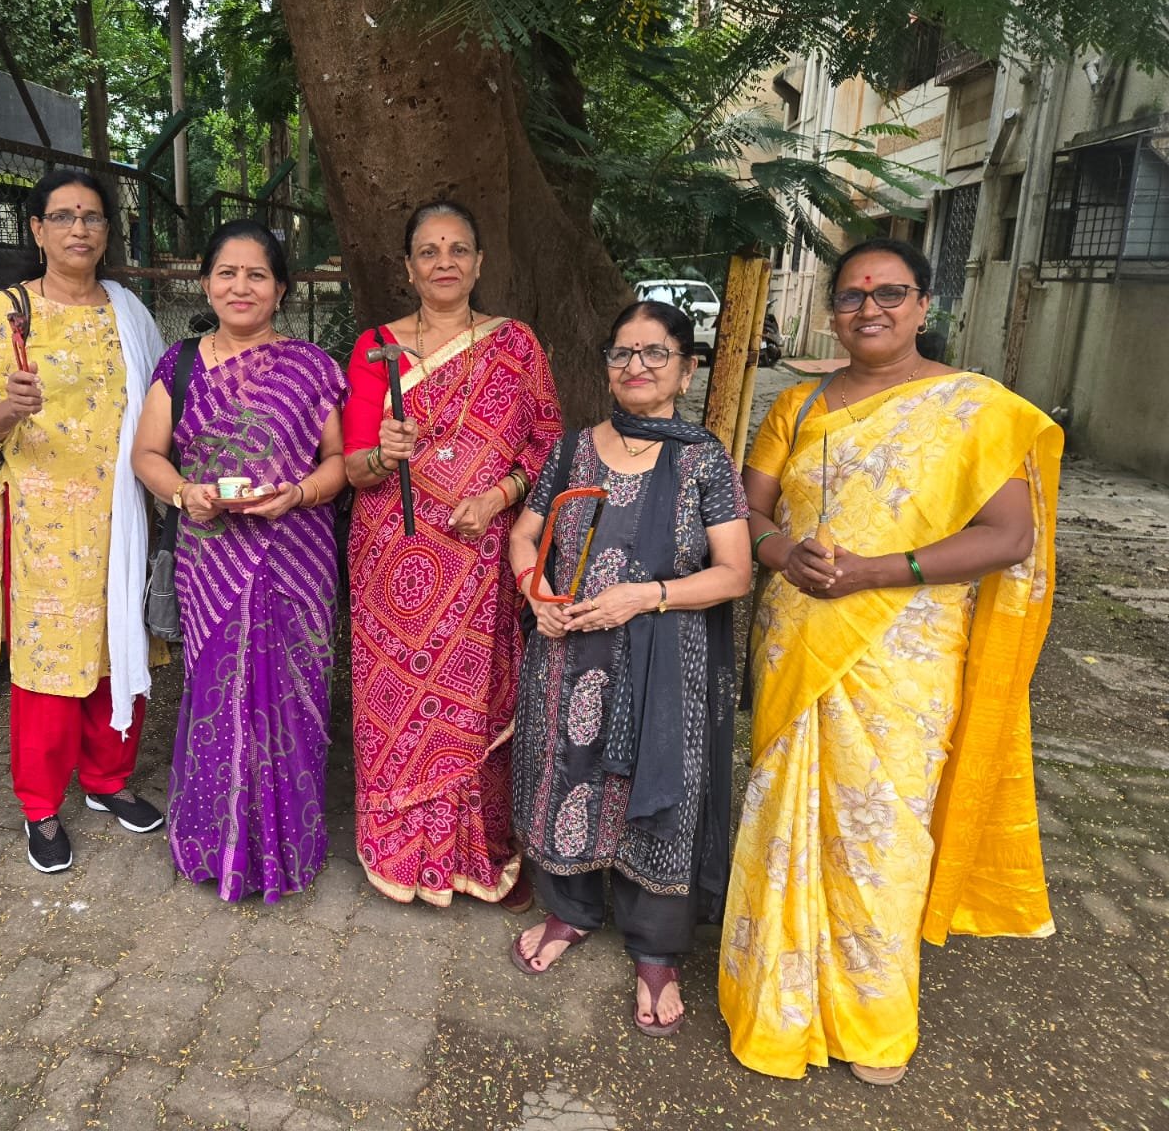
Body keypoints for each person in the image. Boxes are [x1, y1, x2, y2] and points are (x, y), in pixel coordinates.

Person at [718, 238, 1062, 1084]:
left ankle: (873, 1023)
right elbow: (744, 511)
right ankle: (775, 1005)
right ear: (833, 313)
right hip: (799, 636)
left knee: (884, 834)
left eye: (889, 294)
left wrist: (882, 571)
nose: (868, 309)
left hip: (905, 653)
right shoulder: (796, 405)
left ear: (923, 306)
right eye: (851, 296)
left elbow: (1008, 536)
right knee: (783, 817)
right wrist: (781, 553)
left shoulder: (972, 408)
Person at [506, 301, 751, 1035]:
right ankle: (571, 910)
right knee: (567, 775)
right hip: (569, 650)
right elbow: (525, 535)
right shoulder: (572, 451)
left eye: (654, 353)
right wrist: (535, 593)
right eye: (622, 353)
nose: (636, 366)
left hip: (664, 659)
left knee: (658, 788)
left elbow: (734, 573)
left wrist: (645, 596)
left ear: (687, 369)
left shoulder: (702, 459)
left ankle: (655, 946)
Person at [342, 199, 561, 908]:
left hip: (478, 554)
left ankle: (478, 852)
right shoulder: (376, 346)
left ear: (479, 262)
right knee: (396, 705)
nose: (444, 262)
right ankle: (402, 855)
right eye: (428, 251)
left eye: (458, 249)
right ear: (408, 268)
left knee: (472, 702)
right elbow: (352, 467)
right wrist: (383, 453)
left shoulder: (515, 346)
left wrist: (498, 497)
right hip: (391, 557)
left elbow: (548, 443)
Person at [131, 220, 347, 902]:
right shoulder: (179, 364)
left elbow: (340, 462)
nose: (241, 286)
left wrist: (299, 494)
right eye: (227, 273)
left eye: (258, 274)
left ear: (280, 289)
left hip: (296, 558)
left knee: (292, 701)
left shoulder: (311, 367)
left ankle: (287, 848)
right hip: (210, 557)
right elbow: (147, 455)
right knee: (216, 697)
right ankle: (211, 845)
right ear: (206, 283)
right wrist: (184, 493)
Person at [0, 169, 166, 874]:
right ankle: (41, 804)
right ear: (38, 229)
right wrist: (8, 410)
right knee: (50, 657)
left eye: (93, 216)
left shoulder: (127, 311)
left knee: (117, 641)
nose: (79, 228)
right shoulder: (9, 310)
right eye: (63, 216)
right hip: (45, 520)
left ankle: (108, 778)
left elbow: (159, 403)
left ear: (107, 231)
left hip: (123, 510)